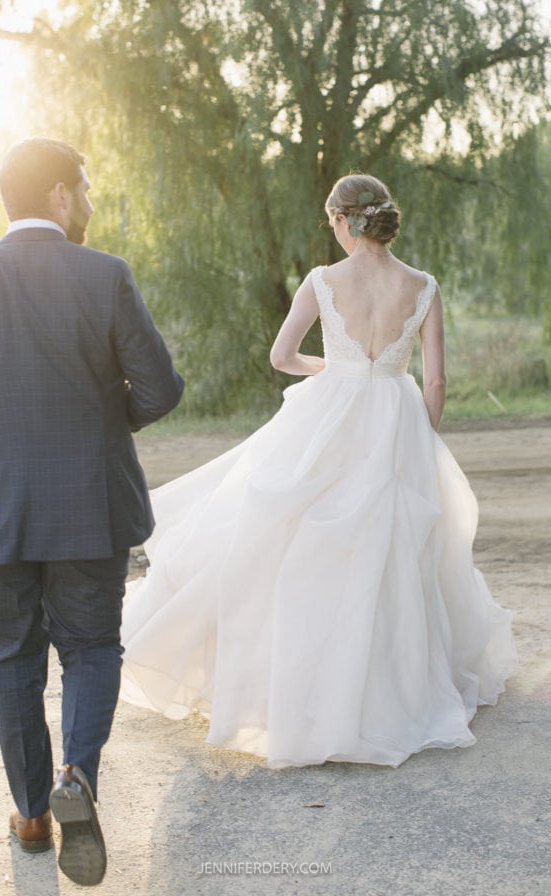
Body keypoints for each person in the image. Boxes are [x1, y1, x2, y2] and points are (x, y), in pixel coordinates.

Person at [120, 172, 517, 769]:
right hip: (398, 417)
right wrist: (420, 437)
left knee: (294, 542)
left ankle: (297, 692)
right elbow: (435, 381)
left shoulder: (323, 281)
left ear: (341, 219)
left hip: (332, 416)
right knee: (394, 554)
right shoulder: (423, 285)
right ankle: (389, 688)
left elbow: (282, 357)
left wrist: (334, 370)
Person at [0, 138, 184, 886]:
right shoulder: (104, 276)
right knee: (91, 648)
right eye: (88, 191)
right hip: (88, 502)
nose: (92, 206)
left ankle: (34, 817)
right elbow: (160, 390)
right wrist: (92, 424)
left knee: (11, 658)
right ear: (61, 197)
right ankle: (77, 781)